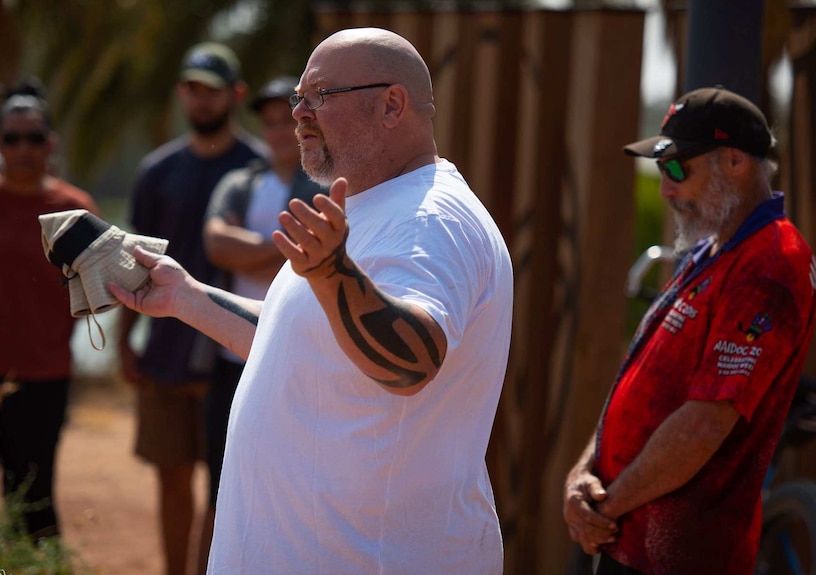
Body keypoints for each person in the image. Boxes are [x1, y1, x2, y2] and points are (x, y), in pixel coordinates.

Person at [109, 27, 513, 575]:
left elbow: (414, 358)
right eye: (299, 98)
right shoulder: (377, 206)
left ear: (392, 105)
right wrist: (186, 297)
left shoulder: (429, 220)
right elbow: (303, 340)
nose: (299, 113)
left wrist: (331, 273)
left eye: (319, 96)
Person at [562, 86, 816, 575]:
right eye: (661, 169)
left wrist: (607, 506)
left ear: (735, 162)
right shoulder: (715, 250)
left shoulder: (769, 263)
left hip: (680, 554)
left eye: (678, 168)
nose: (665, 188)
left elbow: (705, 423)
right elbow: (638, 386)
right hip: (632, 537)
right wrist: (584, 474)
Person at [117, 42, 265, 575]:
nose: (199, 101)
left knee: (225, 486)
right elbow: (131, 263)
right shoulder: (157, 171)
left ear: (236, 94)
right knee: (172, 478)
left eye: (211, 90)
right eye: (191, 89)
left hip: (232, 355)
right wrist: (124, 344)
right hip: (164, 353)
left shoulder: (258, 169)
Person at [197, 76, 324, 573]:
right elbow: (216, 247)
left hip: (294, 360)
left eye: (286, 119)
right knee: (217, 488)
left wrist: (250, 250)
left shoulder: (324, 183)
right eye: (269, 121)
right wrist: (293, 245)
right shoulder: (240, 182)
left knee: (289, 491)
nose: (278, 130)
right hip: (230, 357)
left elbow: (239, 250)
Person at [0, 79, 99, 540]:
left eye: (33, 138)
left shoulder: (74, 211)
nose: (23, 148)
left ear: (50, 143)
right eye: (11, 138)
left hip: (44, 377)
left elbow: (102, 291)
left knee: (35, 499)